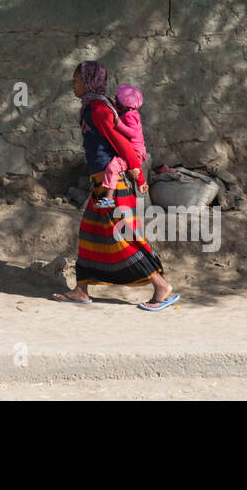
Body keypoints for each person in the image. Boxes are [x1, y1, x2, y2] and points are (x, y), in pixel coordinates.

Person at [52, 60, 179, 311]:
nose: (73, 84)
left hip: (114, 186)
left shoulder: (98, 109)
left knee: (123, 237)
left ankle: (161, 286)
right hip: (102, 185)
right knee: (89, 236)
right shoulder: (92, 106)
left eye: (76, 79)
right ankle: (81, 290)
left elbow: (121, 144)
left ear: (88, 81)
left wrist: (139, 176)